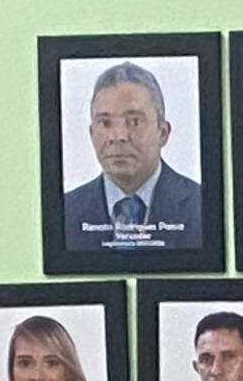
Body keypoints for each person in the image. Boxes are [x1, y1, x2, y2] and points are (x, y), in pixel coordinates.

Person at [58, 60, 203, 254]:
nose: (118, 136)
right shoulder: (64, 211)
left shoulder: (201, 206)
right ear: (91, 133)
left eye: (134, 121)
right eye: (105, 123)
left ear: (163, 132)